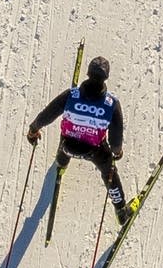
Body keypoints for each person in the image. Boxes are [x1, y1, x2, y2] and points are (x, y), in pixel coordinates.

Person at [27, 56, 131, 225]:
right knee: (109, 173)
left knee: (68, 132)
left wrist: (33, 130)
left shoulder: (71, 95)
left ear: (88, 73)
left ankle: (61, 163)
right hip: (94, 150)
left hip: (68, 146)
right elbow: (116, 137)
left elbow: (48, 114)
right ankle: (121, 210)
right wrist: (116, 152)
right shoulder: (111, 103)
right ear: (106, 78)